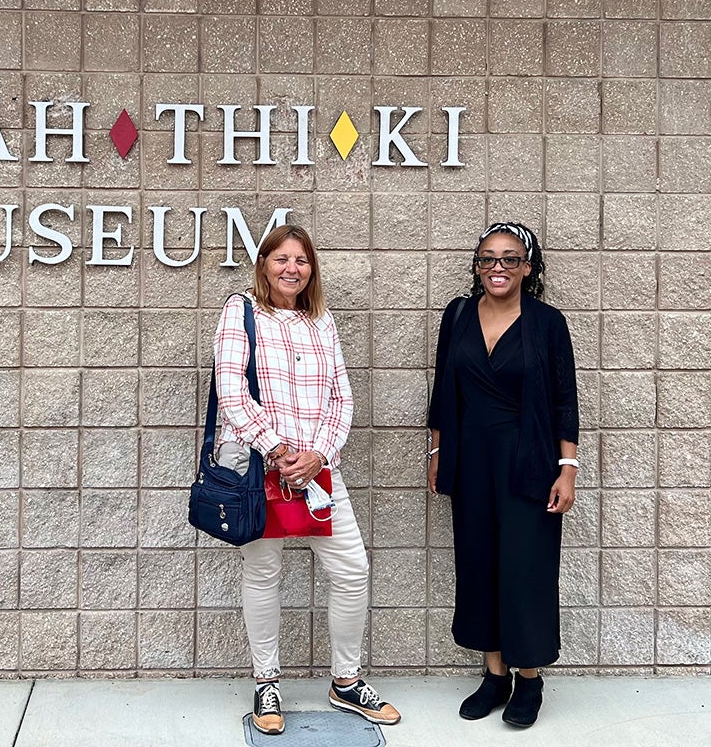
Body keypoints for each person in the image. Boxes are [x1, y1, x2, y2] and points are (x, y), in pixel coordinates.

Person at [214, 224, 401, 735]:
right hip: (261, 470)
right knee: (263, 573)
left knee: (352, 569)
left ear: (311, 268)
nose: (291, 269)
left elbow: (342, 398)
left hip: (319, 474)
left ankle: (345, 680)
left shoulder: (322, 321)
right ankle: (266, 681)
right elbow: (231, 391)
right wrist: (277, 451)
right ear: (264, 264)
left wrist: (319, 454)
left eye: (301, 260)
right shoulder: (242, 311)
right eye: (281, 259)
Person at [427, 222, 578, 729]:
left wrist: (568, 470)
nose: (498, 266)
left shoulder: (547, 323)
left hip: (529, 461)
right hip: (470, 459)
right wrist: (438, 450)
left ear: (527, 268)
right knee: (479, 564)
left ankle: (529, 678)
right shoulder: (458, 315)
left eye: (510, 258)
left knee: (525, 569)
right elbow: (444, 387)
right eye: (488, 257)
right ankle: (495, 675)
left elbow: (564, 400)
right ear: (476, 265)